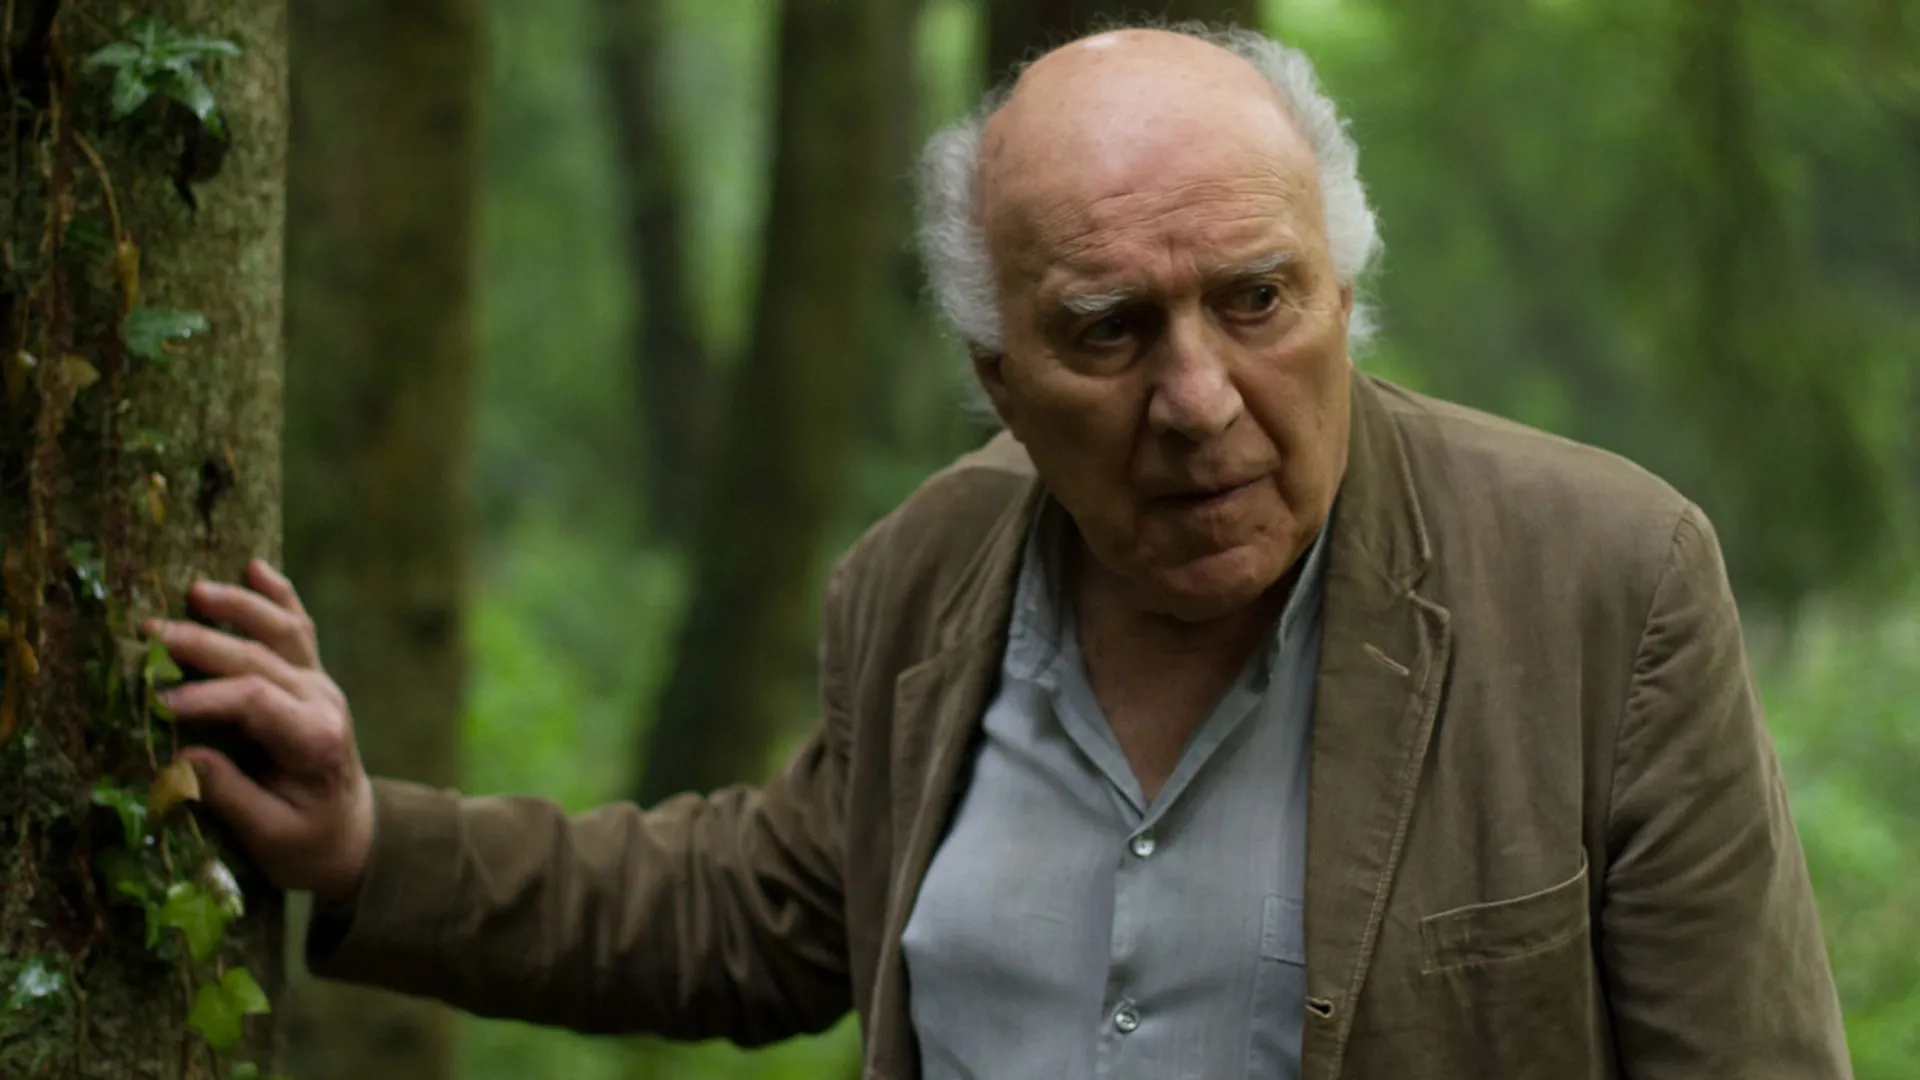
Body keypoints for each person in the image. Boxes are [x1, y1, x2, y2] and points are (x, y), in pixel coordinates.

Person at [144, 23, 1851, 1080]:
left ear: (1344, 290)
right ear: (999, 376)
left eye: (1257, 300)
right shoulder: (927, 577)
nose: (1197, 400)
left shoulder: (1603, 584)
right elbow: (755, 908)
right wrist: (364, 845)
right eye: (1109, 330)